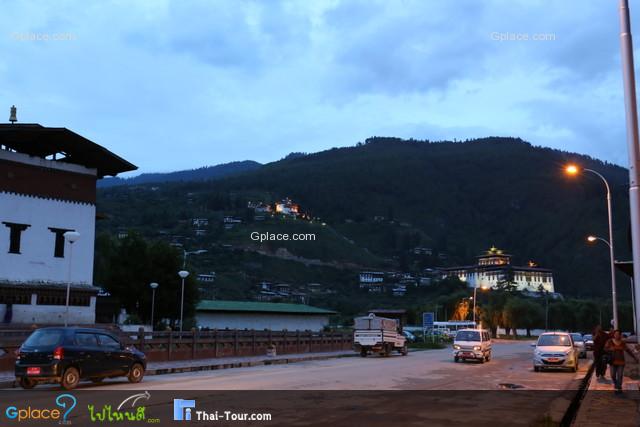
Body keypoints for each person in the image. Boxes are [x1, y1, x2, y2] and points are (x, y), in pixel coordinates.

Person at [604, 329, 639, 394]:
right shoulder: (610, 341)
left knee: (620, 376)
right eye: (615, 334)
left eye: (618, 334)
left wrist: (635, 358)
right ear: (614, 335)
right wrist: (610, 349)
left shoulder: (622, 343)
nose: (616, 335)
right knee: (613, 375)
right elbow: (605, 349)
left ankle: (619, 388)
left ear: (620, 335)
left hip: (621, 362)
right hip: (612, 361)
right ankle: (616, 384)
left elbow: (628, 351)